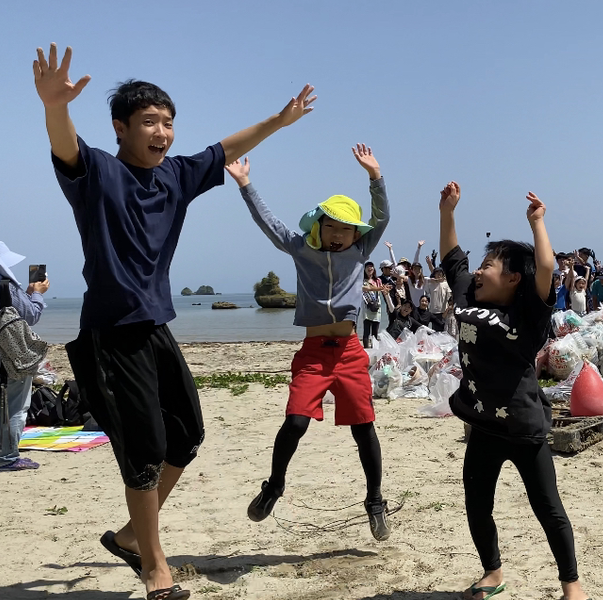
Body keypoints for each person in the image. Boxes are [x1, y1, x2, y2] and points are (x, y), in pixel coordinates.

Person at [38, 41, 315, 599]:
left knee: (186, 435)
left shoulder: (177, 176)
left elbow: (223, 148)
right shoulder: (97, 173)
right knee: (142, 451)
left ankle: (129, 536)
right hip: (111, 335)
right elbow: (65, 145)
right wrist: (54, 105)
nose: (162, 132)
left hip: (157, 327)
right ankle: (154, 567)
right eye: (148, 122)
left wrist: (279, 121)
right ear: (120, 128)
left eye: (168, 122)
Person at [225, 145, 392, 544]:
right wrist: (246, 185)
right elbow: (271, 224)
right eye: (331, 227)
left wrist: (376, 178)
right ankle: (274, 486)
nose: (338, 236)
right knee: (296, 422)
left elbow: (382, 217)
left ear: (356, 234)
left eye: (346, 229)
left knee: (364, 427)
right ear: (319, 226)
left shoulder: (361, 251)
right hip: (314, 355)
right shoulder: (301, 249)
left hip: (350, 353)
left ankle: (374, 500)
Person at [438, 181, 590, 600]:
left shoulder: (528, 315)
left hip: (523, 426)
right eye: (483, 262)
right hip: (482, 423)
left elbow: (545, 270)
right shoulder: (472, 296)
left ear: (512, 279)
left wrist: (537, 223)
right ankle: (492, 572)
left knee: (547, 507)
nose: (480, 270)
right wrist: (447, 213)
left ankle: (571, 585)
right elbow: (452, 259)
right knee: (477, 503)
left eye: (490, 264)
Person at [0, 242, 48, 472]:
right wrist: (36, 295)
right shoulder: (6, 286)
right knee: (16, 406)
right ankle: (8, 457)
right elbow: (30, 315)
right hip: (9, 355)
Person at [361, 262, 388, 348]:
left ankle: (375, 349)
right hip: (367, 307)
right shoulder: (362, 280)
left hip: (377, 306)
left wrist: (386, 289)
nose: (370, 269)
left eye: (371, 268)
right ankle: (366, 349)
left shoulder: (378, 280)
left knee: (375, 331)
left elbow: (382, 291)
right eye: (368, 268)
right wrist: (379, 288)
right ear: (364, 270)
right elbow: (366, 288)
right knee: (366, 330)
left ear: (374, 269)